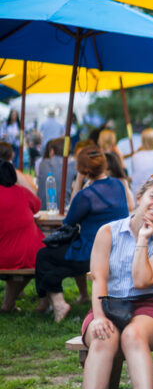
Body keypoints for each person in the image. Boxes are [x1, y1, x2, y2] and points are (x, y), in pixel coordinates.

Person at [76, 175, 153, 389]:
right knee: (103, 336)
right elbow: (98, 277)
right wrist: (99, 317)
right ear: (139, 197)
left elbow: (142, 281)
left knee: (133, 335)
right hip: (107, 302)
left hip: (148, 306)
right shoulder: (108, 232)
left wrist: (143, 239)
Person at [35, 147, 130, 323]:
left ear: (82, 170)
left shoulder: (86, 196)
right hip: (118, 249)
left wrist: (79, 180)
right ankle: (55, 300)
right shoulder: (118, 185)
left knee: (44, 255)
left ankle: (55, 302)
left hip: (92, 254)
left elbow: (69, 221)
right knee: (56, 265)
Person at [0, 160, 44, 312]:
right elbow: (37, 205)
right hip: (28, 255)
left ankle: (8, 305)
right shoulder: (22, 192)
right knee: (31, 265)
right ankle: (9, 304)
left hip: (4, 255)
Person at [36, 137, 76, 208]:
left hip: (42, 209)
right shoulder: (73, 165)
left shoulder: (43, 163)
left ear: (51, 151)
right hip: (63, 209)